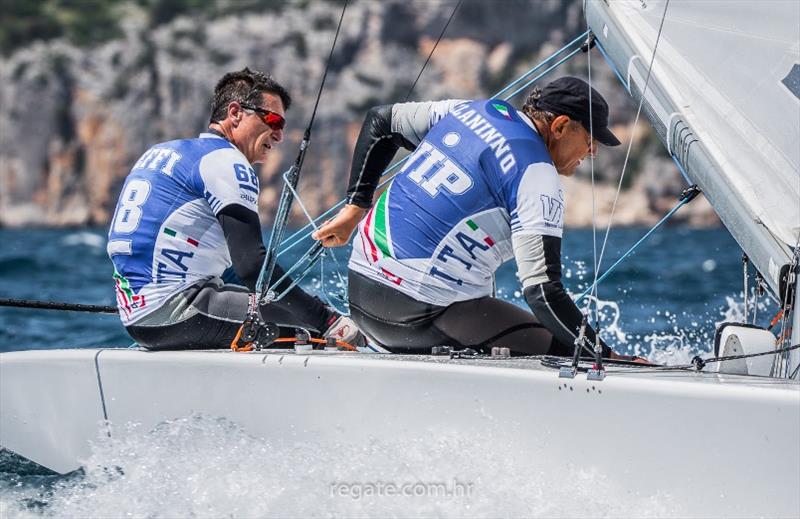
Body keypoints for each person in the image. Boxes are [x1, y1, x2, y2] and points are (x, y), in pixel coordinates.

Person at [313, 76, 635, 358]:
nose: (592, 153)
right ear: (561, 126)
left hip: (359, 294)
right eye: (590, 141)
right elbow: (542, 292)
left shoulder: (472, 110)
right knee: (568, 351)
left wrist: (355, 207)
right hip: (416, 318)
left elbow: (381, 122)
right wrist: (605, 356)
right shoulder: (537, 173)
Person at [107, 67, 363, 350]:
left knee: (296, 310)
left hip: (137, 318)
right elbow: (252, 265)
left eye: (282, 126)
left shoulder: (160, 152)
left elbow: (232, 271)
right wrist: (327, 321)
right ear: (235, 112)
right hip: (181, 312)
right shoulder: (226, 162)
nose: (278, 135)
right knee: (320, 334)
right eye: (273, 120)